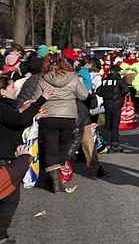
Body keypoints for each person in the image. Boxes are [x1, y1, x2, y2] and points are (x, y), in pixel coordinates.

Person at [33, 49, 88, 193]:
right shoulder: (73, 77)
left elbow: (35, 98)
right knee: (66, 145)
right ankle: (60, 165)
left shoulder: (42, 78)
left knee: (50, 149)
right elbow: (83, 95)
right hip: (68, 117)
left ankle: (56, 182)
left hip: (48, 116)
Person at [96, 64, 129, 153]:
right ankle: (114, 145)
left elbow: (98, 92)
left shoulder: (105, 80)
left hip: (107, 105)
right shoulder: (119, 80)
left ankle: (104, 144)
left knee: (107, 125)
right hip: (116, 106)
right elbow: (126, 90)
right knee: (115, 126)